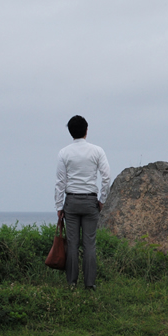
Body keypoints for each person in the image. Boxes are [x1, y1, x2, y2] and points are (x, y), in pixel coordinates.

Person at [54, 115, 112, 289]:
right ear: (86, 130)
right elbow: (107, 177)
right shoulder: (97, 151)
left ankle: (71, 283)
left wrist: (59, 206)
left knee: (72, 244)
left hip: (71, 201)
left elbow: (60, 182)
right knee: (89, 245)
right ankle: (90, 285)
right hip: (90, 201)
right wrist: (102, 200)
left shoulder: (64, 152)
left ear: (71, 132)